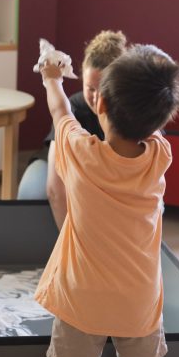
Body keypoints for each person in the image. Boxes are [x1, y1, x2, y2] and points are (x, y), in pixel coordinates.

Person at [22, 44, 179, 357]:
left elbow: (61, 112)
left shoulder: (81, 153)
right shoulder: (160, 156)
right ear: (161, 119)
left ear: (97, 102)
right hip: (137, 301)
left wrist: (53, 78)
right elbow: (150, 115)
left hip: (82, 299)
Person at [17, 30, 128, 229]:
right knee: (31, 193)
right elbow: (55, 188)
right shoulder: (73, 109)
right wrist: (71, 243)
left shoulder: (133, 115)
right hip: (63, 165)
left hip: (104, 171)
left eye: (104, 89)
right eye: (90, 88)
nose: (96, 98)